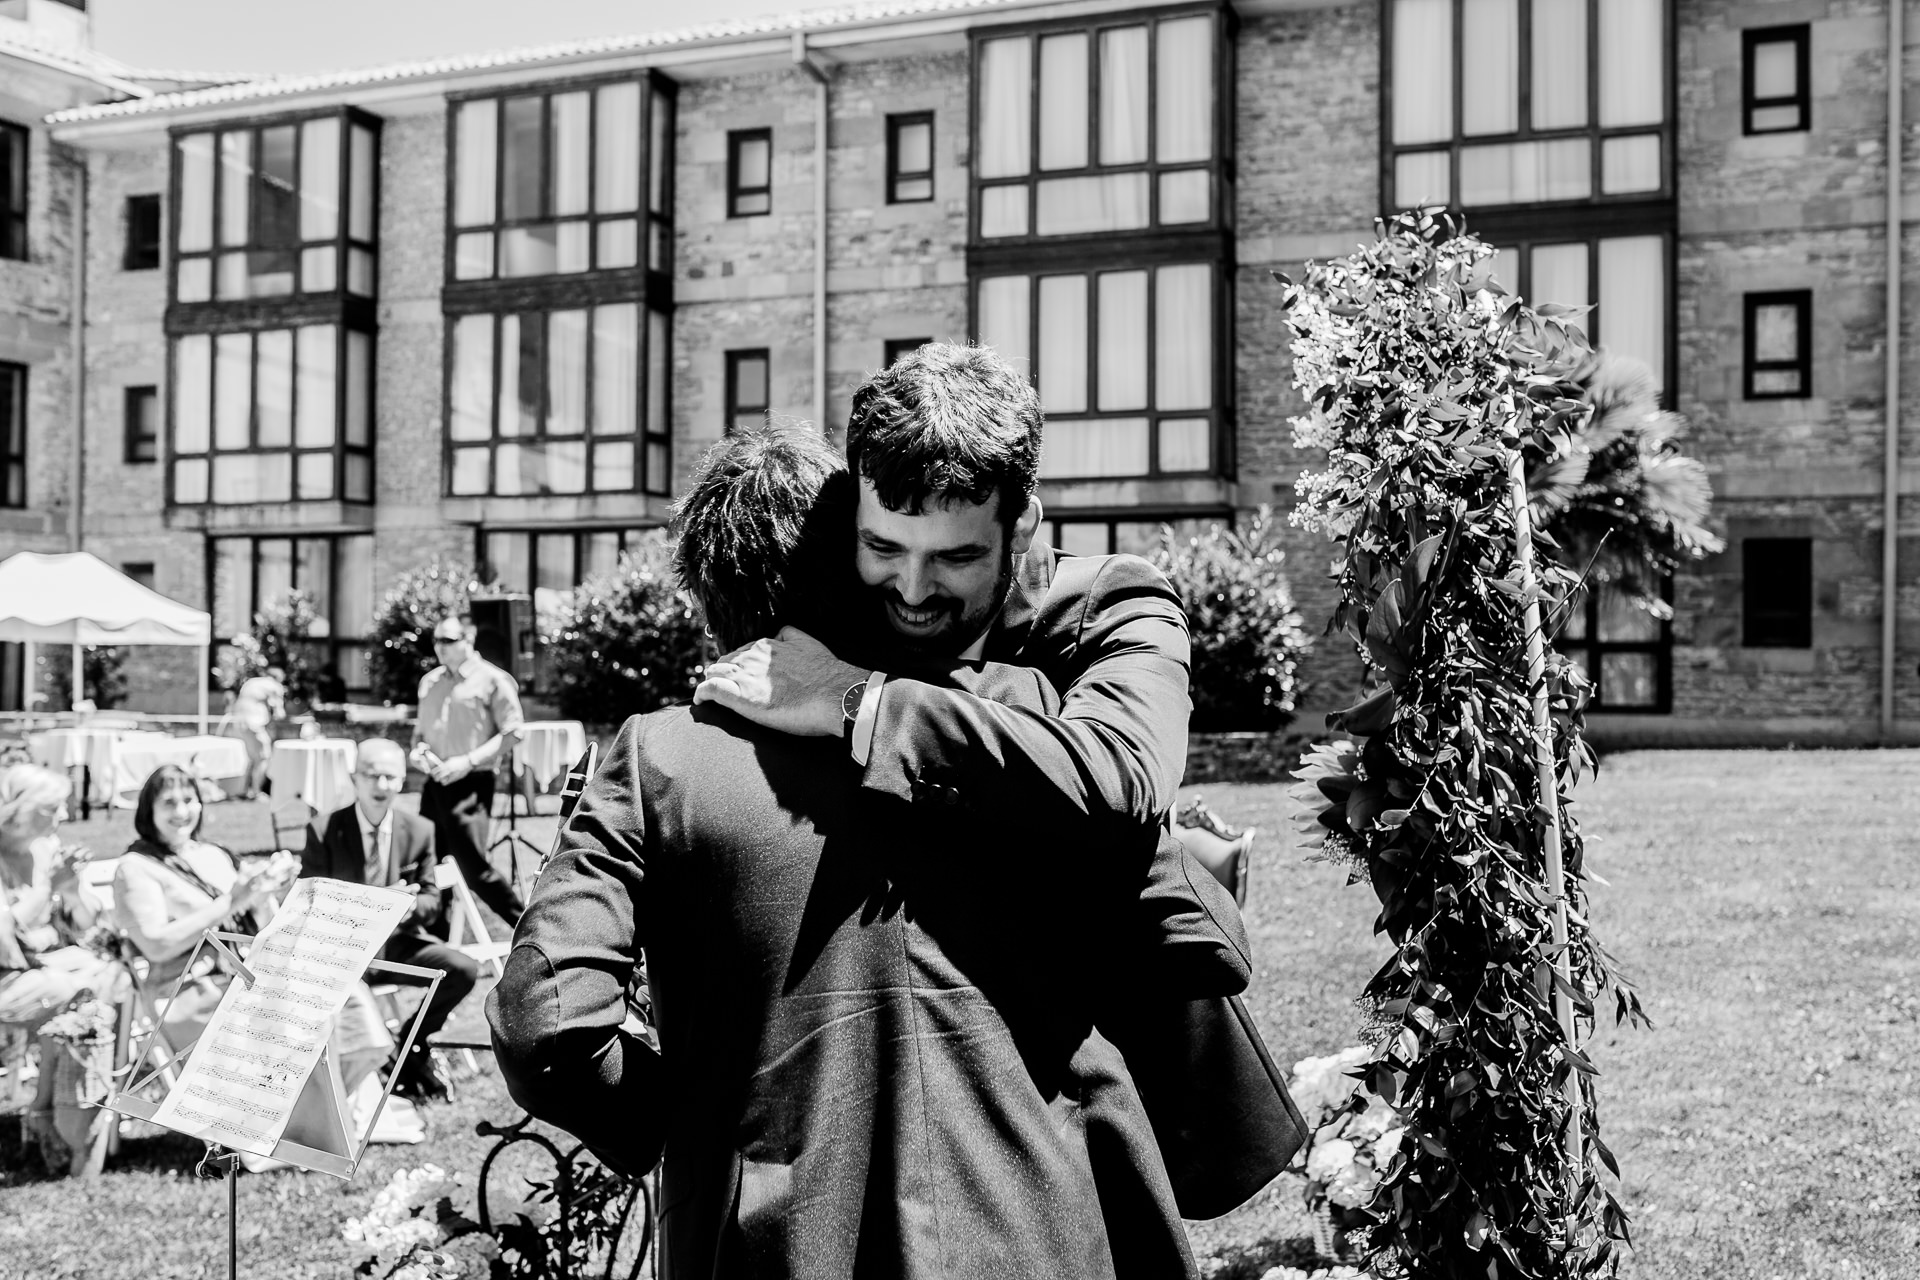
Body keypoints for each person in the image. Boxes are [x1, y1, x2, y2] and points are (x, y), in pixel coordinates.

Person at [491, 424, 1251, 1279]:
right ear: (852, 563)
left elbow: (543, 1024)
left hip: (772, 1244)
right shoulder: (1024, 718)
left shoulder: (658, 758)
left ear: (703, 597)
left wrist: (683, 1116)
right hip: (1052, 1224)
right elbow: (1191, 924)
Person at [112, 765, 392, 1105]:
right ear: (149, 810)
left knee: (345, 996)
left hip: (248, 973)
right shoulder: (137, 867)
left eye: (189, 799)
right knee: (286, 1015)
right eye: (169, 803)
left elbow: (258, 925)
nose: (182, 811)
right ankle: (271, 1120)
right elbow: (157, 945)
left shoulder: (212, 854)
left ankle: (310, 1111)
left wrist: (267, 891)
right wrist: (232, 901)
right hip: (192, 988)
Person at [300, 737, 477, 1101]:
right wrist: (373, 904)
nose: (381, 785)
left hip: (398, 946)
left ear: (402, 781)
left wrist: (408, 907)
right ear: (354, 778)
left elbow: (432, 899)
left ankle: (408, 1045)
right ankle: (394, 1062)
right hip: (343, 954)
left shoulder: (420, 829)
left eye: (390, 777)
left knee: (463, 969)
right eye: (372, 775)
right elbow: (311, 903)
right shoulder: (323, 829)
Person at [0, 763, 122, 1173]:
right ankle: (61, 1116)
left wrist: (70, 890)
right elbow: (4, 945)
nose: (65, 816)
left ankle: (48, 1110)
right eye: (53, 807)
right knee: (81, 991)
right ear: (17, 809)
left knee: (101, 979)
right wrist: (47, 889)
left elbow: (89, 926)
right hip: (7, 979)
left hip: (49, 970)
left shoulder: (45, 848)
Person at [411, 617, 525, 927]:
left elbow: (514, 732)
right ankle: (439, 936)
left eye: (448, 640)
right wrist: (418, 753)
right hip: (434, 783)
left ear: (468, 640)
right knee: (431, 864)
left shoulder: (493, 679)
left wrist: (468, 761)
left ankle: (527, 927)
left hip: (472, 783)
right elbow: (419, 736)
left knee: (474, 869)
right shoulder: (429, 682)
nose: (440, 648)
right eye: (437, 641)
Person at [228, 666, 288, 800]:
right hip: (254, 724)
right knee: (264, 757)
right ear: (279, 678)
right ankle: (257, 792)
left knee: (251, 758)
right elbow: (280, 713)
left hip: (239, 723)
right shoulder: (274, 686)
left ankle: (243, 791)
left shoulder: (251, 682)